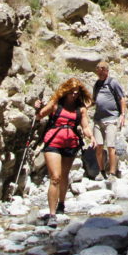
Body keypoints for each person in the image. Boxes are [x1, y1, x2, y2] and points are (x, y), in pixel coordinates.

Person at [34, 78, 95, 226]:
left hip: (71, 144)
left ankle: (62, 203)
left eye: (76, 92)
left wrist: (91, 136)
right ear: (66, 91)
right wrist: (37, 107)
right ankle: (52, 214)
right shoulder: (55, 104)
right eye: (71, 92)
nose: (74, 95)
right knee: (55, 177)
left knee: (64, 175)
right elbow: (40, 115)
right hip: (53, 142)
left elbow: (85, 126)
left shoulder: (81, 109)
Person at [92, 60, 126, 178]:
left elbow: (122, 99)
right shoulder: (97, 84)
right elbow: (94, 100)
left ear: (107, 71)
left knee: (111, 146)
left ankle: (112, 172)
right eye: (98, 72)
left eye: (102, 71)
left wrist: (122, 115)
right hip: (98, 120)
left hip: (111, 119)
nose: (100, 74)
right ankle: (101, 171)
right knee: (99, 146)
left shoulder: (113, 83)